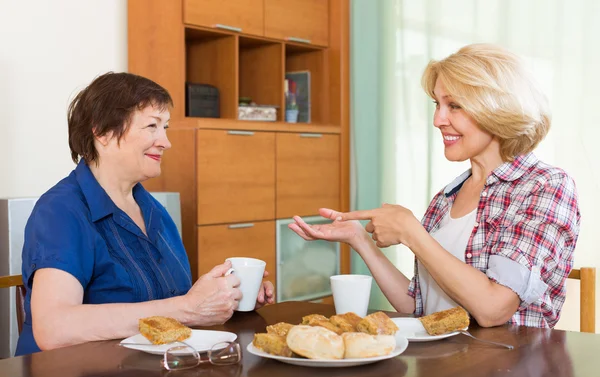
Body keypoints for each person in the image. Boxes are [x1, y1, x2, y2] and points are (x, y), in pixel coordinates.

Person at [289, 44, 580, 328]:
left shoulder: (545, 186)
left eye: (454, 105)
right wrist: (359, 240)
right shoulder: (446, 198)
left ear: (498, 109)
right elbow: (419, 306)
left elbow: (494, 309)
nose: (438, 120)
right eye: (437, 105)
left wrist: (412, 232)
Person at [16, 72, 275, 356]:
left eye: (165, 127)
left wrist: (226, 298)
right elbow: (53, 329)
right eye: (152, 126)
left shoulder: (153, 210)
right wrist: (187, 308)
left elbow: (173, 306)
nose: (165, 142)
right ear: (101, 132)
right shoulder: (61, 211)